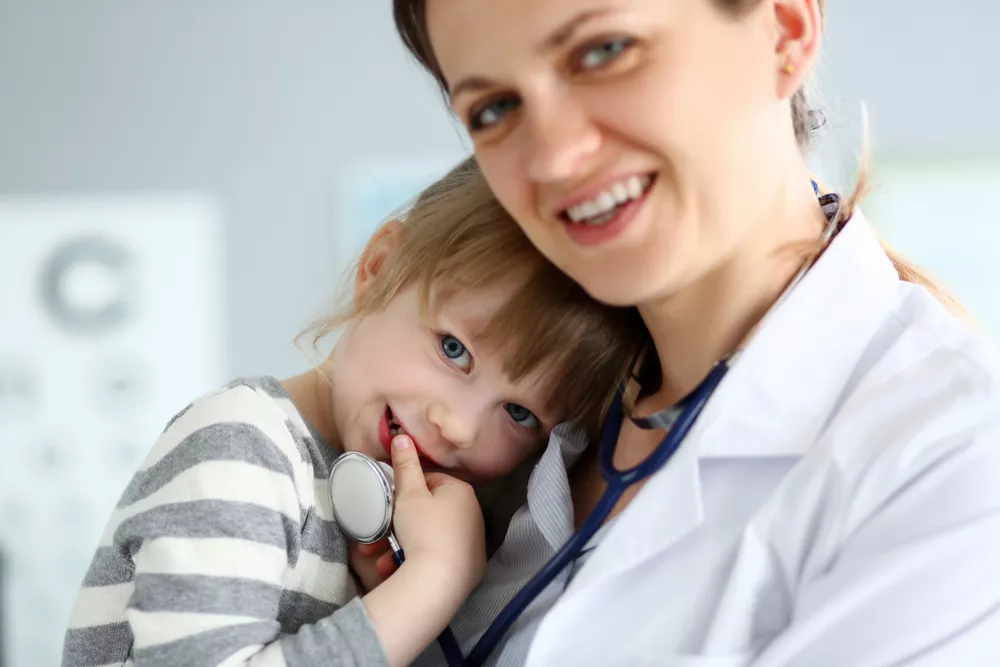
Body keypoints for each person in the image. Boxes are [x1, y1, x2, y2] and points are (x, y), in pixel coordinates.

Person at [382, 0, 1000, 664]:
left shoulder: (952, 459)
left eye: (603, 51)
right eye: (495, 109)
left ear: (785, 29)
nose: (554, 159)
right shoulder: (511, 416)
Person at [60, 158, 644, 667]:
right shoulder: (242, 444)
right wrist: (432, 583)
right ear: (379, 269)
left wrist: (385, 600)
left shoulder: (395, 518)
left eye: (519, 412)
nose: (459, 425)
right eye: (453, 350)